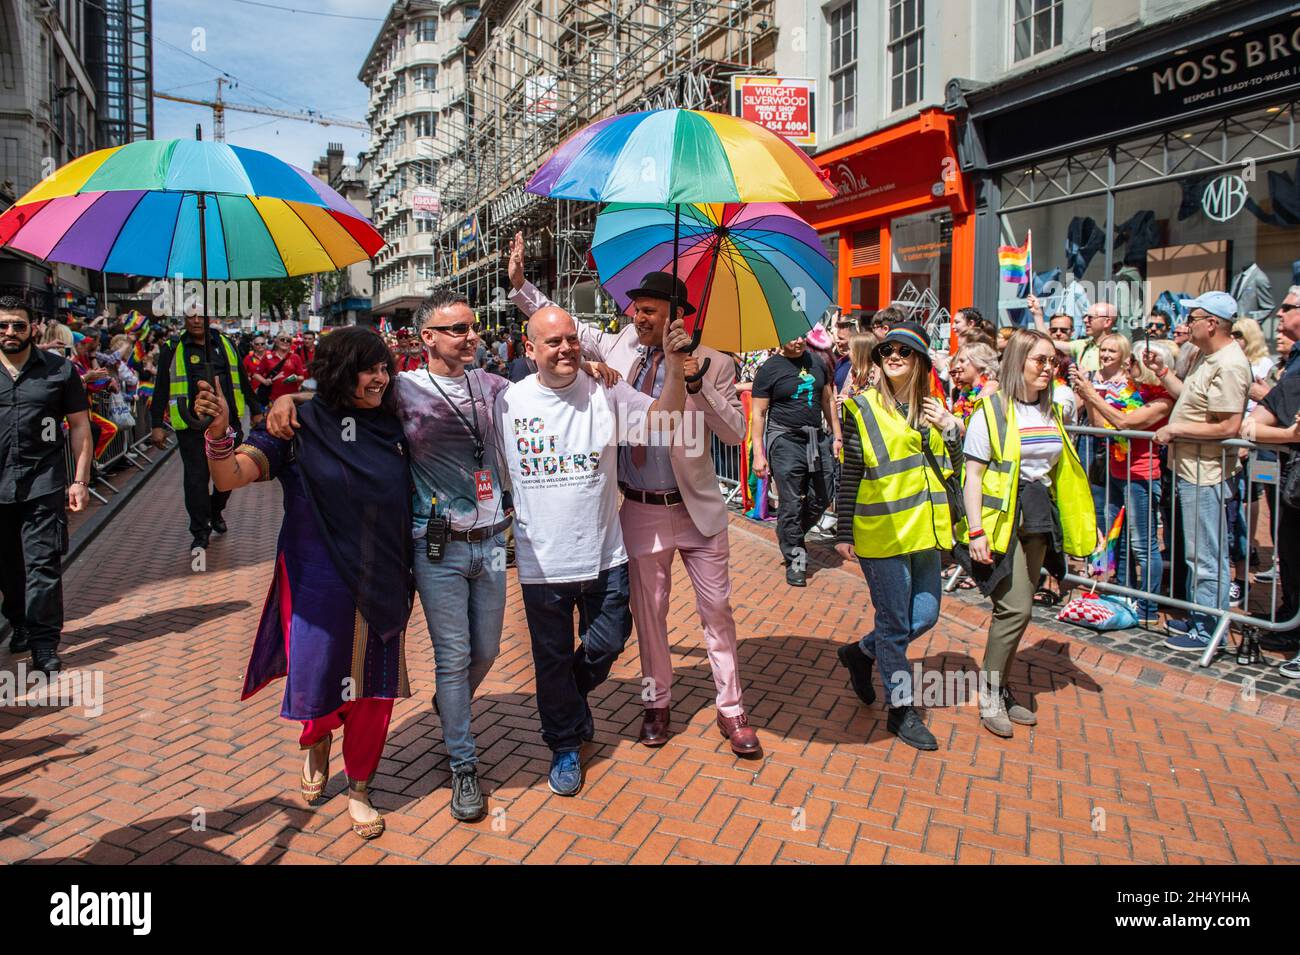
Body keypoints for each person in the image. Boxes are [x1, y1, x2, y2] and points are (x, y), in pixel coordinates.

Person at [507, 237, 760, 757]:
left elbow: (734, 433)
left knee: (717, 613)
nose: (637, 316)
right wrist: (520, 288)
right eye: (636, 309)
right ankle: (656, 704)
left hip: (697, 510)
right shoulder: (618, 346)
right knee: (650, 616)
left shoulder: (713, 360)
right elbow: (564, 330)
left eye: (648, 310)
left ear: (675, 315)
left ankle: (732, 709)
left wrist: (695, 381)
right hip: (640, 507)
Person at [195, 327, 412, 841]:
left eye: (384, 366)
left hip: (383, 577)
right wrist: (219, 432)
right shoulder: (298, 427)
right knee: (318, 677)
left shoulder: (395, 421)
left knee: (374, 691)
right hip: (316, 579)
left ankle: (359, 787)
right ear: (340, 370)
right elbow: (229, 478)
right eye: (368, 367)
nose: (381, 377)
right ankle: (316, 740)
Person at [495, 303, 689, 796]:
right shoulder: (507, 403)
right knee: (551, 656)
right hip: (542, 564)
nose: (565, 348)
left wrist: (672, 367)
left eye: (571, 340)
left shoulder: (606, 390)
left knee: (607, 642)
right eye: (553, 342)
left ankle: (565, 695)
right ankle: (564, 745)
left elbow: (665, 421)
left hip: (605, 555)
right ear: (531, 349)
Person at [961, 329, 1097, 738]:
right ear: (1018, 361)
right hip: (1002, 522)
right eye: (1040, 360)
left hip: (1037, 519)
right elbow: (973, 476)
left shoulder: (1052, 409)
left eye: (1053, 361)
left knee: (1024, 610)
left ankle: (1000, 687)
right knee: (1016, 607)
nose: (1049, 368)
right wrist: (976, 531)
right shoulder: (992, 411)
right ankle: (989, 694)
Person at [834, 322, 962, 751]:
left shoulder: (933, 410)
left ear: (921, 362)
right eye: (887, 349)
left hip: (924, 532)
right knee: (894, 624)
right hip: (882, 534)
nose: (893, 356)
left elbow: (953, 472)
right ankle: (901, 710)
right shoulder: (861, 408)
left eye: (904, 352)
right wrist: (842, 528)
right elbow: (850, 471)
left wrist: (951, 431)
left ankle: (860, 653)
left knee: (922, 617)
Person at [1145, 291, 1252, 651]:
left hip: (1207, 473)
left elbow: (1228, 427)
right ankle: (1199, 617)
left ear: (1212, 323)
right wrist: (1162, 373)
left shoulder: (1230, 363)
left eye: (1193, 318)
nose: (1186, 324)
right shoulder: (1208, 358)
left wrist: (1175, 430)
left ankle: (1208, 630)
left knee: (1206, 555)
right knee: (1196, 553)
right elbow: (1193, 400)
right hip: (1191, 469)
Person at [0, 297, 93, 674]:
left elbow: (81, 428)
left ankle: (44, 644)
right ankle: (19, 622)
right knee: (7, 567)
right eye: (3, 325)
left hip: (43, 483)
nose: (10, 332)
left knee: (43, 564)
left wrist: (80, 480)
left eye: (18, 325)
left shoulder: (59, 370)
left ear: (33, 328)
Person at [1073, 340, 1174, 625]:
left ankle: (1148, 607)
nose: (1129, 367)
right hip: (1116, 471)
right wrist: (1087, 393)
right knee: (1117, 538)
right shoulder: (1129, 392)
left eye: (1135, 363)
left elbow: (1125, 423)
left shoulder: (1161, 399)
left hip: (1141, 474)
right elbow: (1099, 427)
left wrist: (1092, 394)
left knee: (1143, 544)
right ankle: (1124, 594)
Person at [150, 312, 260, 550]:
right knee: (196, 479)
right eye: (191, 317)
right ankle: (200, 530)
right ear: (184, 320)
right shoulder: (173, 347)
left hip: (229, 423)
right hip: (191, 426)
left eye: (201, 316)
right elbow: (161, 385)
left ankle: (215, 510)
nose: (197, 321)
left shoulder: (225, 344)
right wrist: (156, 424)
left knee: (228, 475)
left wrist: (256, 407)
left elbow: (242, 376)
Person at [749, 334, 843, 586]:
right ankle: (796, 561)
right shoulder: (769, 369)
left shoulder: (817, 362)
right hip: (785, 440)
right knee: (790, 502)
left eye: (803, 335)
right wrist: (759, 453)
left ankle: (790, 530)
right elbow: (758, 413)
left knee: (823, 495)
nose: (799, 340)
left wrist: (837, 435)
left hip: (816, 439)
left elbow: (827, 399)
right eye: (793, 336)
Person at [1242, 374, 1300, 677]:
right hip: (1294, 492)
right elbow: (1250, 427)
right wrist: (1291, 434)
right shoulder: (1292, 384)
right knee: (1292, 561)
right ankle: (1293, 626)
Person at [950, 342, 999, 431]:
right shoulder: (966, 390)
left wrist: (946, 417)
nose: (957, 366)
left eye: (962, 361)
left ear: (978, 363)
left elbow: (973, 427)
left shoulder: (990, 388)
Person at [257, 333, 308, 405]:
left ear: (291, 344)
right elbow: (256, 374)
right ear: (277, 342)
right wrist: (265, 381)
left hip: (291, 397)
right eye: (282, 339)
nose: (285, 342)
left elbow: (301, 377)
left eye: (288, 341)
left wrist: (296, 378)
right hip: (273, 397)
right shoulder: (268, 356)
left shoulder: (295, 357)